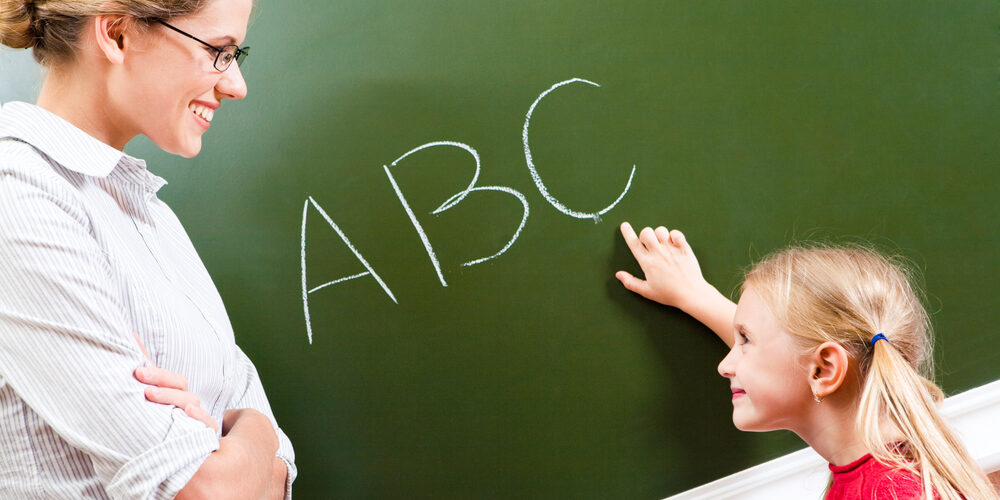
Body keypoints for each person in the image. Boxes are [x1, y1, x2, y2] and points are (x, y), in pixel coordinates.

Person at [0, 0, 294, 498]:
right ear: (117, 34)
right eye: (219, 51)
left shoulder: (151, 214)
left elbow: (276, 474)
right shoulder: (20, 197)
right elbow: (208, 492)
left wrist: (243, 441)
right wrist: (252, 429)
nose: (236, 85)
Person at [615, 222, 996, 500]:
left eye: (744, 339)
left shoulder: (890, 494)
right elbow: (789, 349)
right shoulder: (894, 463)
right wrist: (695, 296)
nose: (724, 365)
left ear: (824, 370)